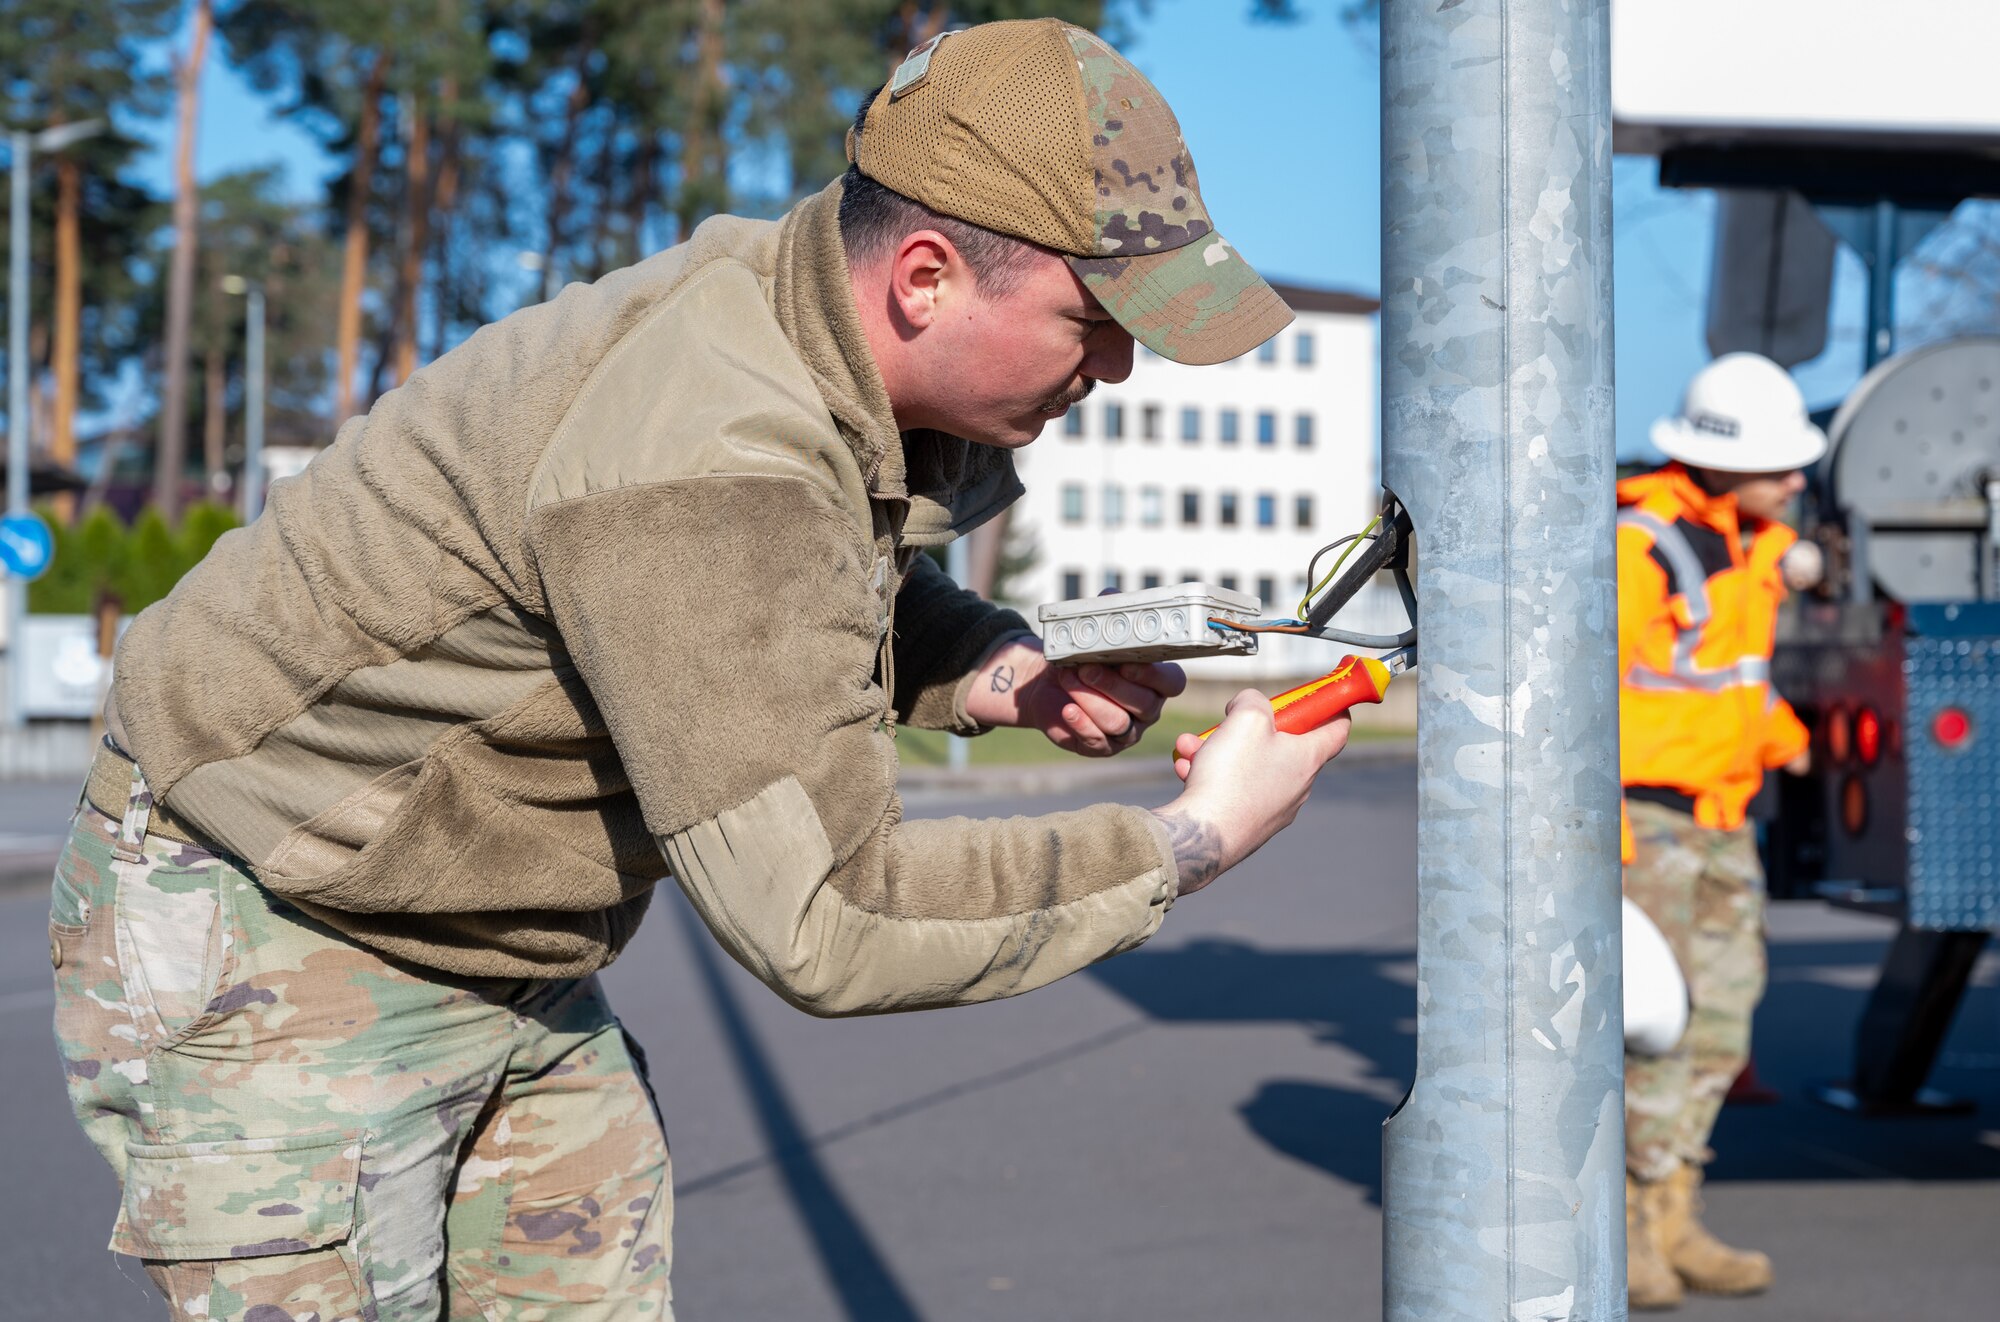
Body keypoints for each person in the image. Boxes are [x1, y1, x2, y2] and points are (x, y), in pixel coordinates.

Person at [47, 20, 1348, 1321]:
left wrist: (998, 668)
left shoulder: (803, 313)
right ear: (928, 277)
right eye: (1096, 319)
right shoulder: (709, 454)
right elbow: (835, 915)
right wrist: (1193, 838)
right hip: (273, 910)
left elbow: (821, 591)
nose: (1117, 366)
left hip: (498, 931)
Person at [1616, 352, 1826, 1310]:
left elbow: (1728, 678)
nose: (1799, 480)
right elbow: (1593, 693)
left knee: (1721, 1024)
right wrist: (1602, 826)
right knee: (1648, 1030)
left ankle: (1673, 1214)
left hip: (1723, 820)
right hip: (1648, 822)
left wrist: (1784, 739)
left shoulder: (1750, 545)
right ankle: (1622, 1229)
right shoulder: (1643, 545)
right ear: (1722, 462)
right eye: (1783, 464)